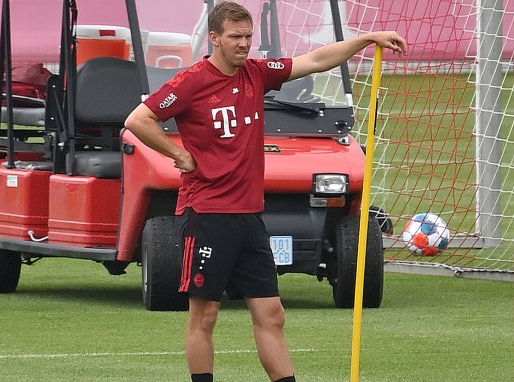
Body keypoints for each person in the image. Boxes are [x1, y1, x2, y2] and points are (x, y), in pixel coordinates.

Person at [124, 2, 406, 381]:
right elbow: (139, 119)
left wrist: (366, 39)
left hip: (250, 217)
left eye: (248, 37)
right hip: (207, 214)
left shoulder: (257, 73)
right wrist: (179, 154)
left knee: (272, 313)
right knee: (205, 315)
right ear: (215, 39)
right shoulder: (191, 81)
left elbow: (316, 60)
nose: (244, 44)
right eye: (235, 37)